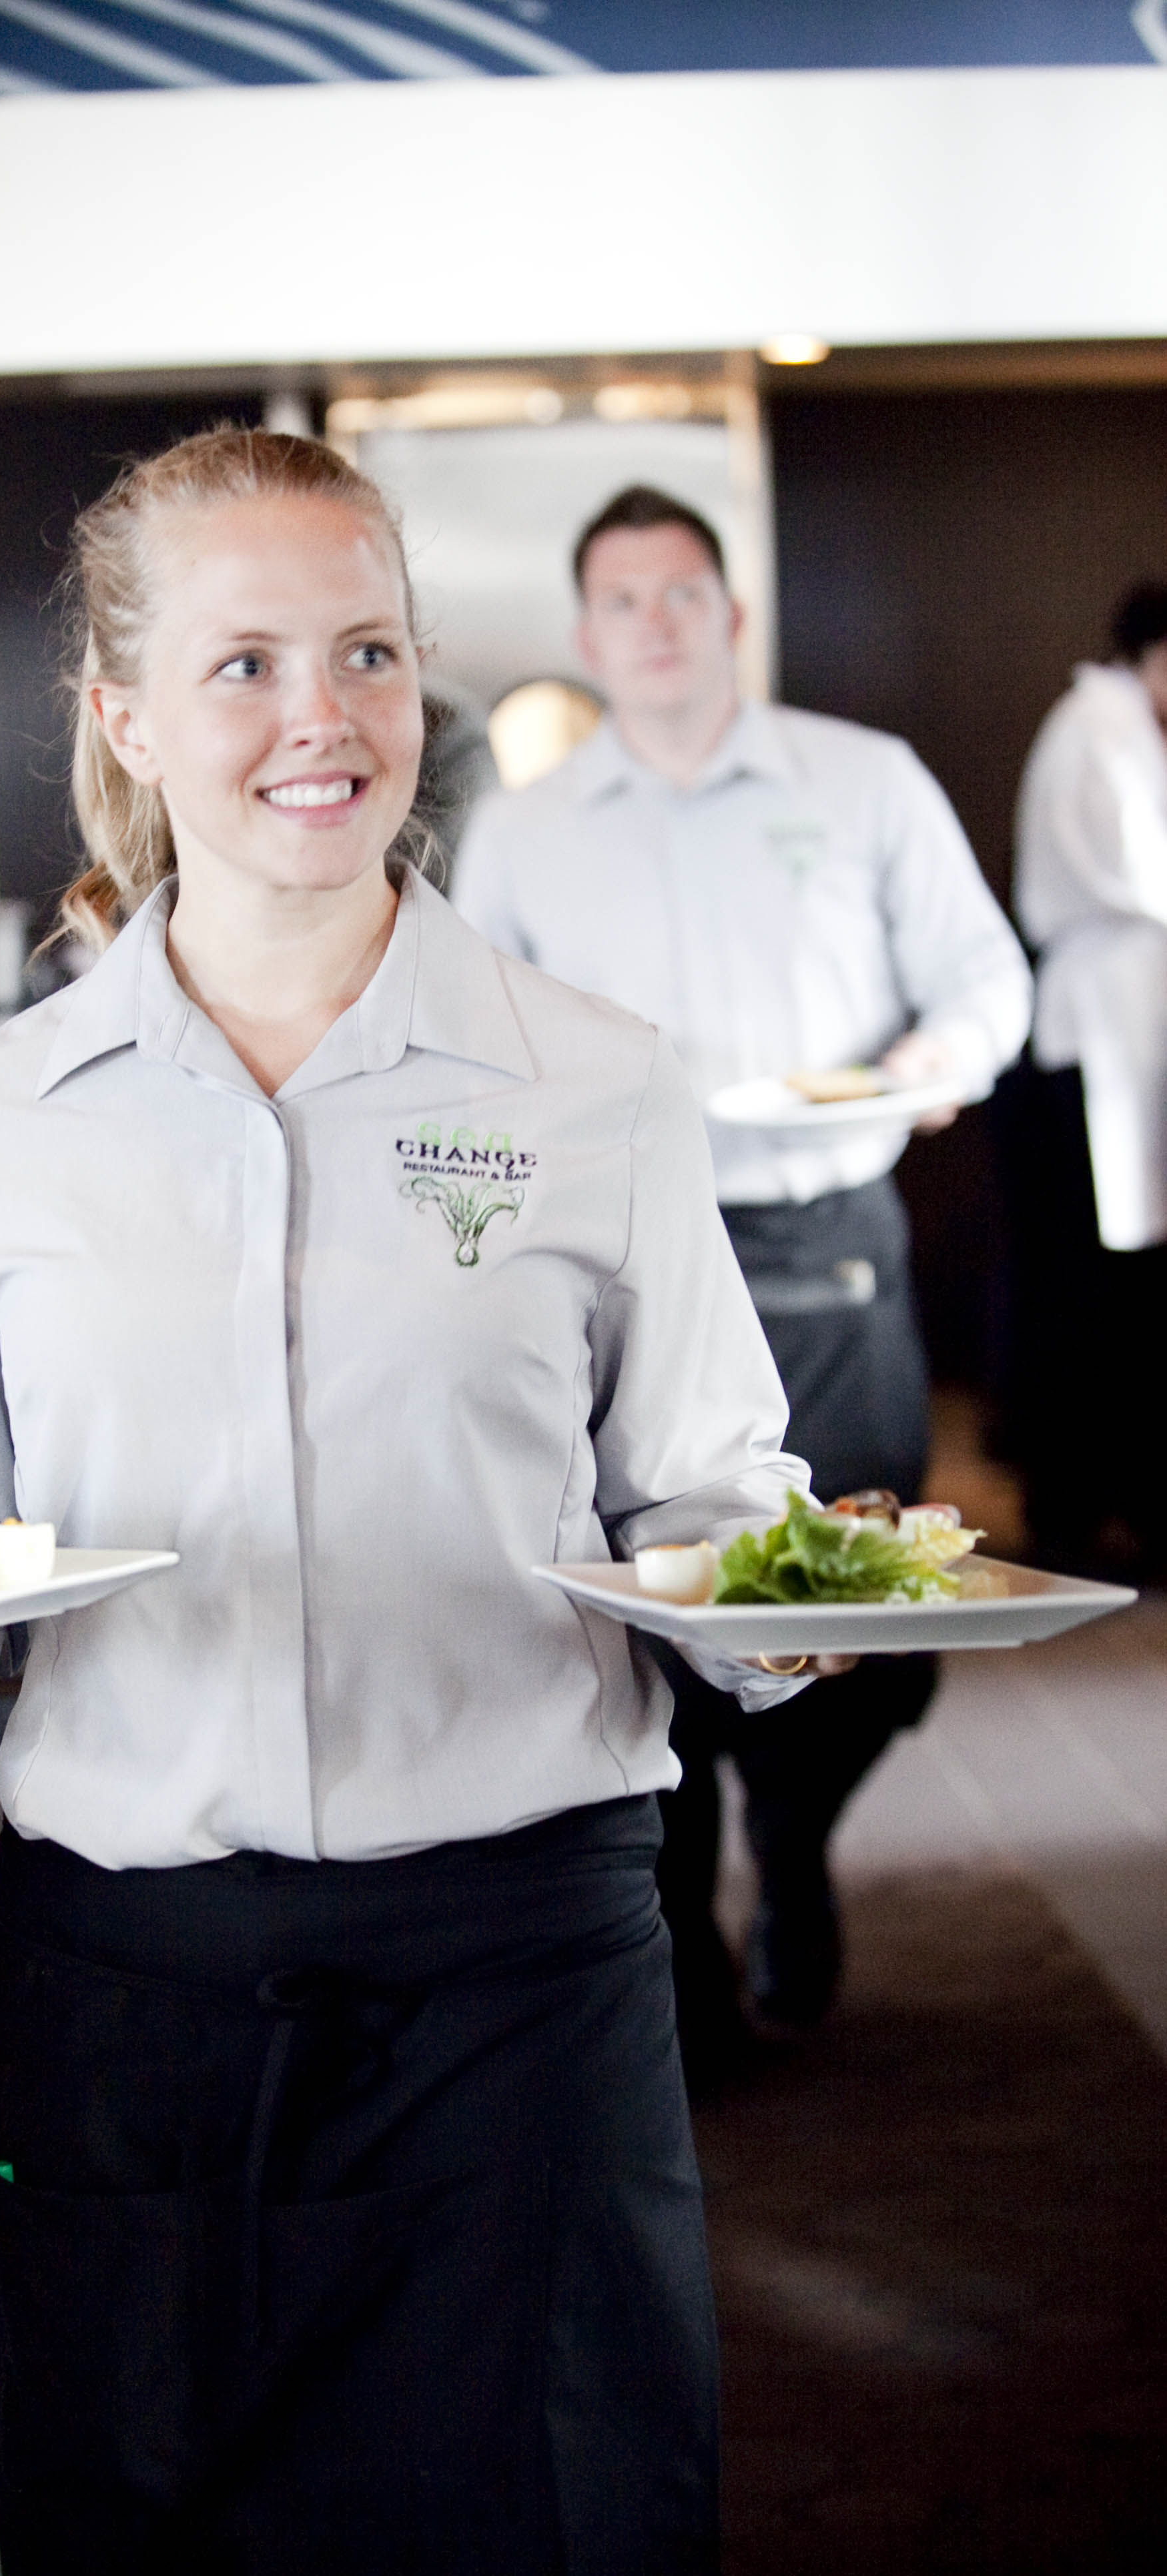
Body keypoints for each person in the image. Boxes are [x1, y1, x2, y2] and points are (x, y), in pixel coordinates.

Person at [0, 429, 822, 2572]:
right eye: (241, 663)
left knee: (554, 2515)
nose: (319, 719)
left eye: (363, 652)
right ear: (126, 718)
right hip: (129, 1985)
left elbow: (711, 1483)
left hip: (517, 1973)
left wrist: (770, 1600)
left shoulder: (591, 1078)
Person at [455, 484, 1032, 2079]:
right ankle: (688, 1913)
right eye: (622, 601)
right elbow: (473, 1039)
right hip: (619, 1254)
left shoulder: (863, 782)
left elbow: (988, 977)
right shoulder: (528, 824)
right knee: (658, 1597)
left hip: (824, 1228)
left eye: (682, 593)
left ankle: (797, 1824)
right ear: (587, 634)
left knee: (866, 1590)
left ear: (731, 613)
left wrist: (930, 1061)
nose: (655, 624)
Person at [1005, 582, 1167, 1572]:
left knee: (1127, 1287)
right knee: (1078, 1286)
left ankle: (1126, 1505)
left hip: (1130, 1037)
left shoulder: (1129, 729)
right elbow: (1138, 872)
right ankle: (1068, 1512)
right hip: (1088, 1047)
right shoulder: (1094, 728)